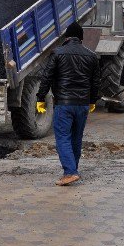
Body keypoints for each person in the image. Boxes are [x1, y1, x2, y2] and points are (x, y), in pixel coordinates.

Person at [36, 22, 100, 186]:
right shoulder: (92, 56)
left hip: (64, 104)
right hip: (83, 104)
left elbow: (46, 77)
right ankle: (73, 170)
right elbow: (95, 82)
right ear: (81, 38)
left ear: (67, 37)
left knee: (63, 138)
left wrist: (40, 98)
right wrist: (92, 100)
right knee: (76, 138)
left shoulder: (58, 53)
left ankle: (70, 172)